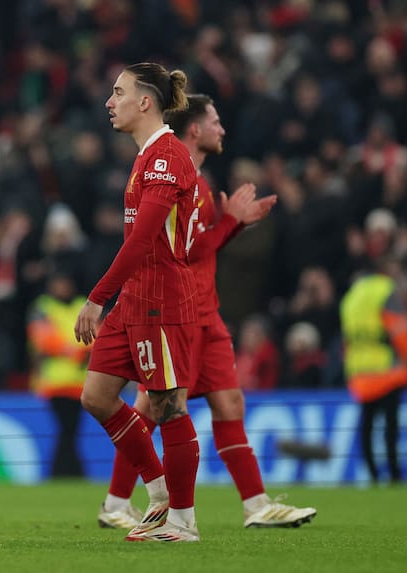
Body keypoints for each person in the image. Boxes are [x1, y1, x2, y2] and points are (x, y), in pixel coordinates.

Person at [96, 94, 316, 530]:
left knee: (228, 402)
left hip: (205, 311)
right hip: (179, 310)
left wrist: (233, 223)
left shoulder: (196, 181)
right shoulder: (182, 180)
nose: (222, 129)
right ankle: (119, 503)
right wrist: (232, 222)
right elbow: (190, 251)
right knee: (154, 406)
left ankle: (256, 504)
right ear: (195, 129)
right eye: (215, 121)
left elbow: (196, 248)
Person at [74, 62, 201, 543]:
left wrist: (96, 298)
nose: (110, 102)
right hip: (134, 299)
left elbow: (144, 239)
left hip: (161, 300)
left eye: (118, 92)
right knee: (96, 396)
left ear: (144, 101)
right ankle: (160, 492)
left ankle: (183, 522)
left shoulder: (167, 156)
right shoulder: (146, 156)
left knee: (167, 406)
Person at [340, 255, 407, 484]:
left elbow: (347, 337)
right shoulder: (385, 290)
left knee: (367, 424)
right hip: (387, 369)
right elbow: (399, 328)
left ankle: (373, 475)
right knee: (391, 426)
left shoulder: (350, 297)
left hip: (360, 371)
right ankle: (394, 475)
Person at [28, 270, 91, 477]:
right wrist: (77, 351)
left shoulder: (83, 304)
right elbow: (42, 338)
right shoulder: (44, 307)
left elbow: (98, 334)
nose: (62, 288)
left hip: (80, 383)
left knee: (70, 431)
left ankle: (65, 472)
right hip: (54, 383)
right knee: (66, 430)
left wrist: (73, 351)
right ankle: (69, 472)